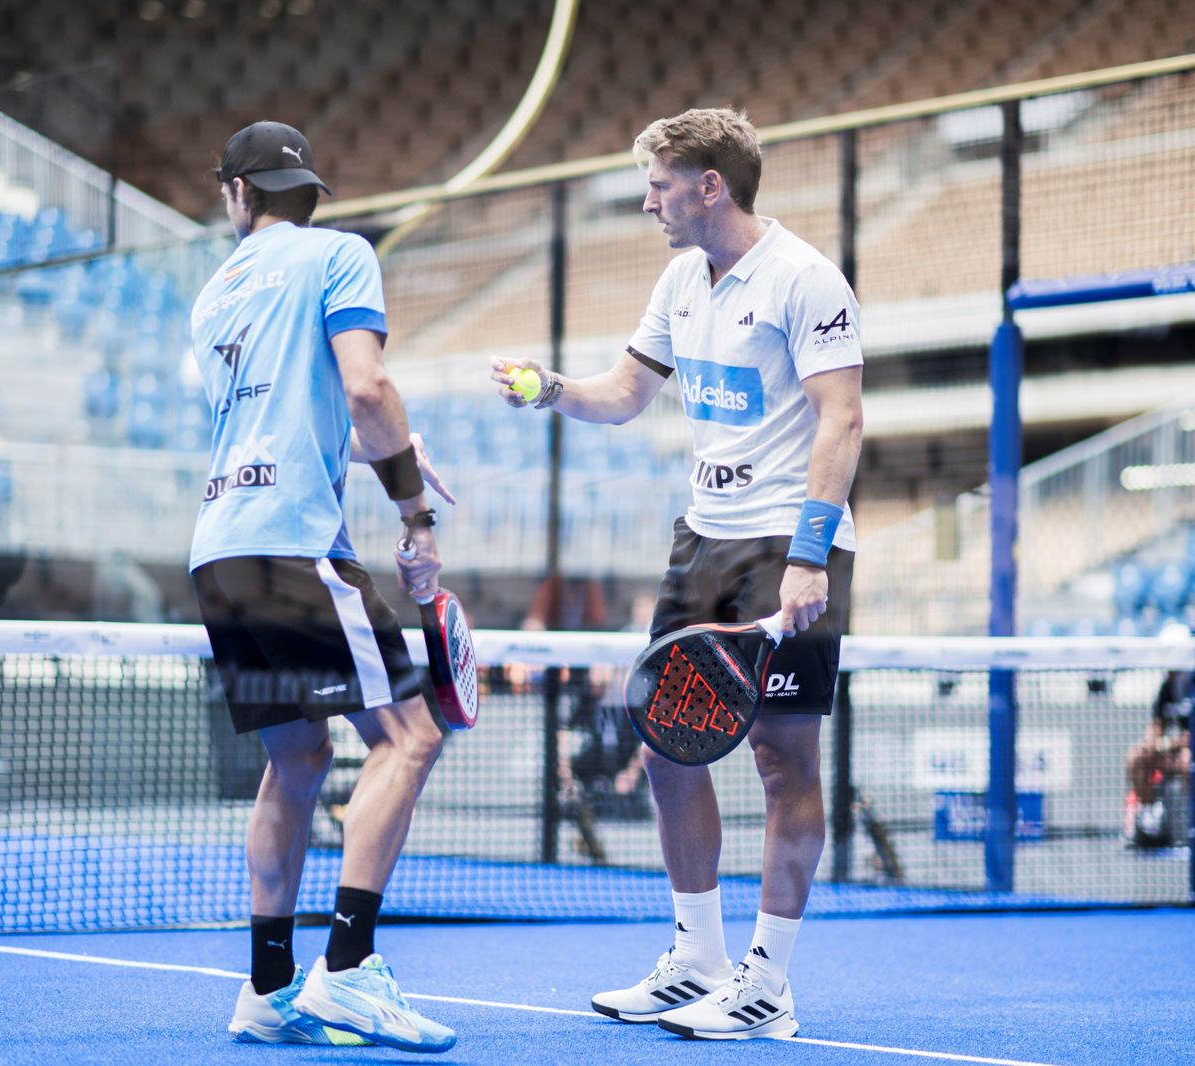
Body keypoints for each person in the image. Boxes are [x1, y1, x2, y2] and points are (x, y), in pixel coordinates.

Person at [491, 107, 863, 1040]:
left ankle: (767, 983)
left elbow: (843, 417)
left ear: (710, 186)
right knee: (664, 746)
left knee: (783, 760)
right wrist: (550, 389)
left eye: (659, 185)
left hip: (787, 543)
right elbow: (625, 393)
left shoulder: (805, 278)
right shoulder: (679, 280)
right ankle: (697, 958)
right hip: (703, 541)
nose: (648, 201)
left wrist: (810, 555)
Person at [189, 120, 457, 1053]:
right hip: (296, 544)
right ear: (308, 195)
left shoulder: (211, 300)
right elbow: (366, 389)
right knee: (409, 736)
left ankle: (267, 990)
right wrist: (415, 513)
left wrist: (395, 447)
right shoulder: (340, 255)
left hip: (220, 549)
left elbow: (291, 412)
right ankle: (346, 970)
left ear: (237, 193)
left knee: (298, 760)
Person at [1125, 670, 1192, 847]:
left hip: (1191, 752)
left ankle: (1191, 821)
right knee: (1137, 756)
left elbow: (1191, 737)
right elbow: (1155, 726)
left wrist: (1166, 744)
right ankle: (1150, 813)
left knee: (1187, 760)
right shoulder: (1167, 687)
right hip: (1170, 751)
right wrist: (1150, 744)